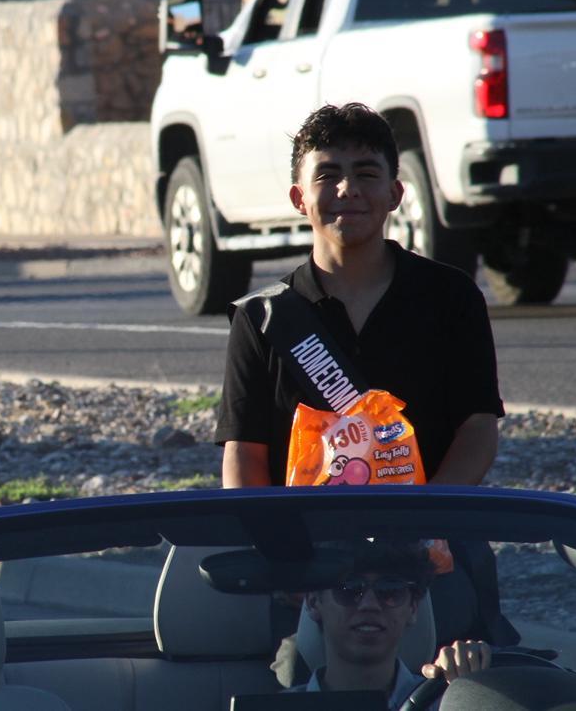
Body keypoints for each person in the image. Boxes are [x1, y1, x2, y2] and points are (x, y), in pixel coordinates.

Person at [215, 102, 504, 488]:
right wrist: (271, 529)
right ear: (298, 198)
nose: (348, 189)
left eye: (366, 174)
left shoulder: (451, 297)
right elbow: (244, 453)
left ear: (395, 194)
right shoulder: (262, 317)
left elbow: (478, 427)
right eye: (327, 175)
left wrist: (429, 514)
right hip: (303, 528)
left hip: (428, 523)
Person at [290, 540, 492, 708]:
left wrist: (475, 691)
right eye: (349, 588)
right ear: (313, 602)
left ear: (413, 607)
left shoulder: (450, 703)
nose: (369, 605)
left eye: (390, 590)